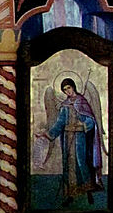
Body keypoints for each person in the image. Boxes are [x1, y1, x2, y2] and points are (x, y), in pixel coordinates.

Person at [37, 78, 103, 206]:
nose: (67, 91)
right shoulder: (65, 106)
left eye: (68, 88)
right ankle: (70, 195)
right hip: (67, 139)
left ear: (73, 87)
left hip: (80, 138)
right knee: (68, 165)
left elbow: (91, 120)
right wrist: (47, 134)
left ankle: (88, 191)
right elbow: (60, 124)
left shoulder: (82, 102)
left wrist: (83, 124)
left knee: (82, 162)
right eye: (64, 89)